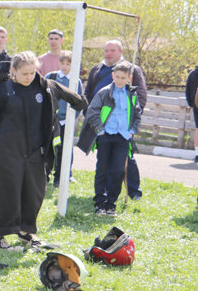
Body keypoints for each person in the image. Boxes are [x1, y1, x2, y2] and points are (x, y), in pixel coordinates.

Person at [0, 52, 87, 250]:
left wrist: (81, 103)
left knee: (34, 193)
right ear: (13, 71)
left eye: (32, 72)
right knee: (8, 193)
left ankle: (27, 232)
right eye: (24, 73)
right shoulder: (3, 88)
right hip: (7, 150)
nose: (29, 77)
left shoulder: (45, 87)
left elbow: (73, 97)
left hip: (35, 151)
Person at [83, 40, 147, 200]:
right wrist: (92, 118)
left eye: (112, 50)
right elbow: (88, 93)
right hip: (102, 123)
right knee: (104, 162)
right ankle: (103, 194)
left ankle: (133, 192)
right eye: (106, 50)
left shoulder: (132, 69)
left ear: (121, 51)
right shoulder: (97, 69)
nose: (108, 53)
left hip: (124, 127)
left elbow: (140, 95)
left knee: (127, 161)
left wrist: (132, 123)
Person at [77, 61, 141, 217]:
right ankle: (100, 203)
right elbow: (92, 113)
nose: (119, 80)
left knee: (118, 171)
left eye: (123, 77)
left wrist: (132, 131)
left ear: (129, 78)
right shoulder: (104, 92)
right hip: (106, 136)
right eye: (117, 77)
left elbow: (137, 114)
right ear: (113, 75)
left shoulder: (132, 95)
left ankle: (111, 203)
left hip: (123, 137)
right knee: (102, 170)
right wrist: (100, 130)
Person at [45, 50, 82, 186]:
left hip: (66, 120)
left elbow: (79, 101)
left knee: (64, 149)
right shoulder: (51, 76)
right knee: (49, 148)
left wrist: (71, 119)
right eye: (63, 63)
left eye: (68, 63)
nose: (65, 66)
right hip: (51, 119)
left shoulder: (75, 80)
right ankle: (45, 174)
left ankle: (61, 176)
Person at [187, 64, 198, 163]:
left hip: (196, 104)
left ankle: (197, 154)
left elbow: (188, 89)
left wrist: (191, 103)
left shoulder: (193, 74)